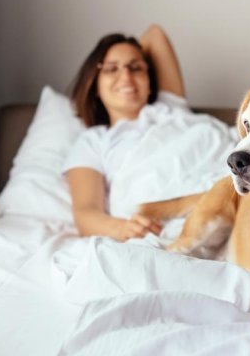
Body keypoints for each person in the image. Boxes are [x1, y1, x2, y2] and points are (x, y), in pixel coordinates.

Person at [63, 24, 186, 242]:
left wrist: (124, 53)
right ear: (95, 85)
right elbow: (85, 212)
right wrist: (123, 228)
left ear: (149, 81)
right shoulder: (93, 141)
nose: (126, 76)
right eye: (112, 69)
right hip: (163, 221)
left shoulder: (170, 108)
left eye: (135, 68)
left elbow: (155, 34)